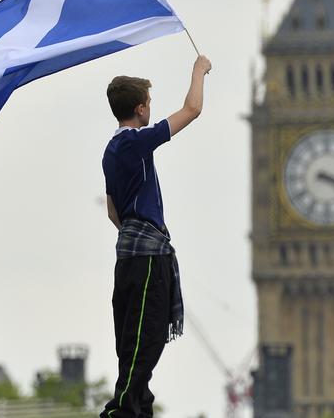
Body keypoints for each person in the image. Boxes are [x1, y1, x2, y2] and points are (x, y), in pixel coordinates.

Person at [100, 54, 212, 418]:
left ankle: (139, 406)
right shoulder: (136, 142)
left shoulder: (111, 150)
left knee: (131, 339)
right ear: (140, 109)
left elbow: (112, 211)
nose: (151, 109)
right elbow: (192, 109)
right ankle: (123, 410)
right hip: (148, 256)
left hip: (128, 254)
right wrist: (199, 69)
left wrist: (131, 232)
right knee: (146, 338)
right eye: (149, 103)